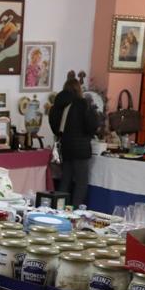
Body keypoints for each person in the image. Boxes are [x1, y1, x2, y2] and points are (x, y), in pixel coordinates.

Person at [48, 74, 101, 208]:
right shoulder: (82, 104)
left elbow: (55, 128)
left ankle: (59, 208)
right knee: (81, 182)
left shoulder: (57, 106)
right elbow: (92, 125)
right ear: (78, 90)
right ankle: (75, 210)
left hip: (65, 148)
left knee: (65, 179)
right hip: (81, 148)